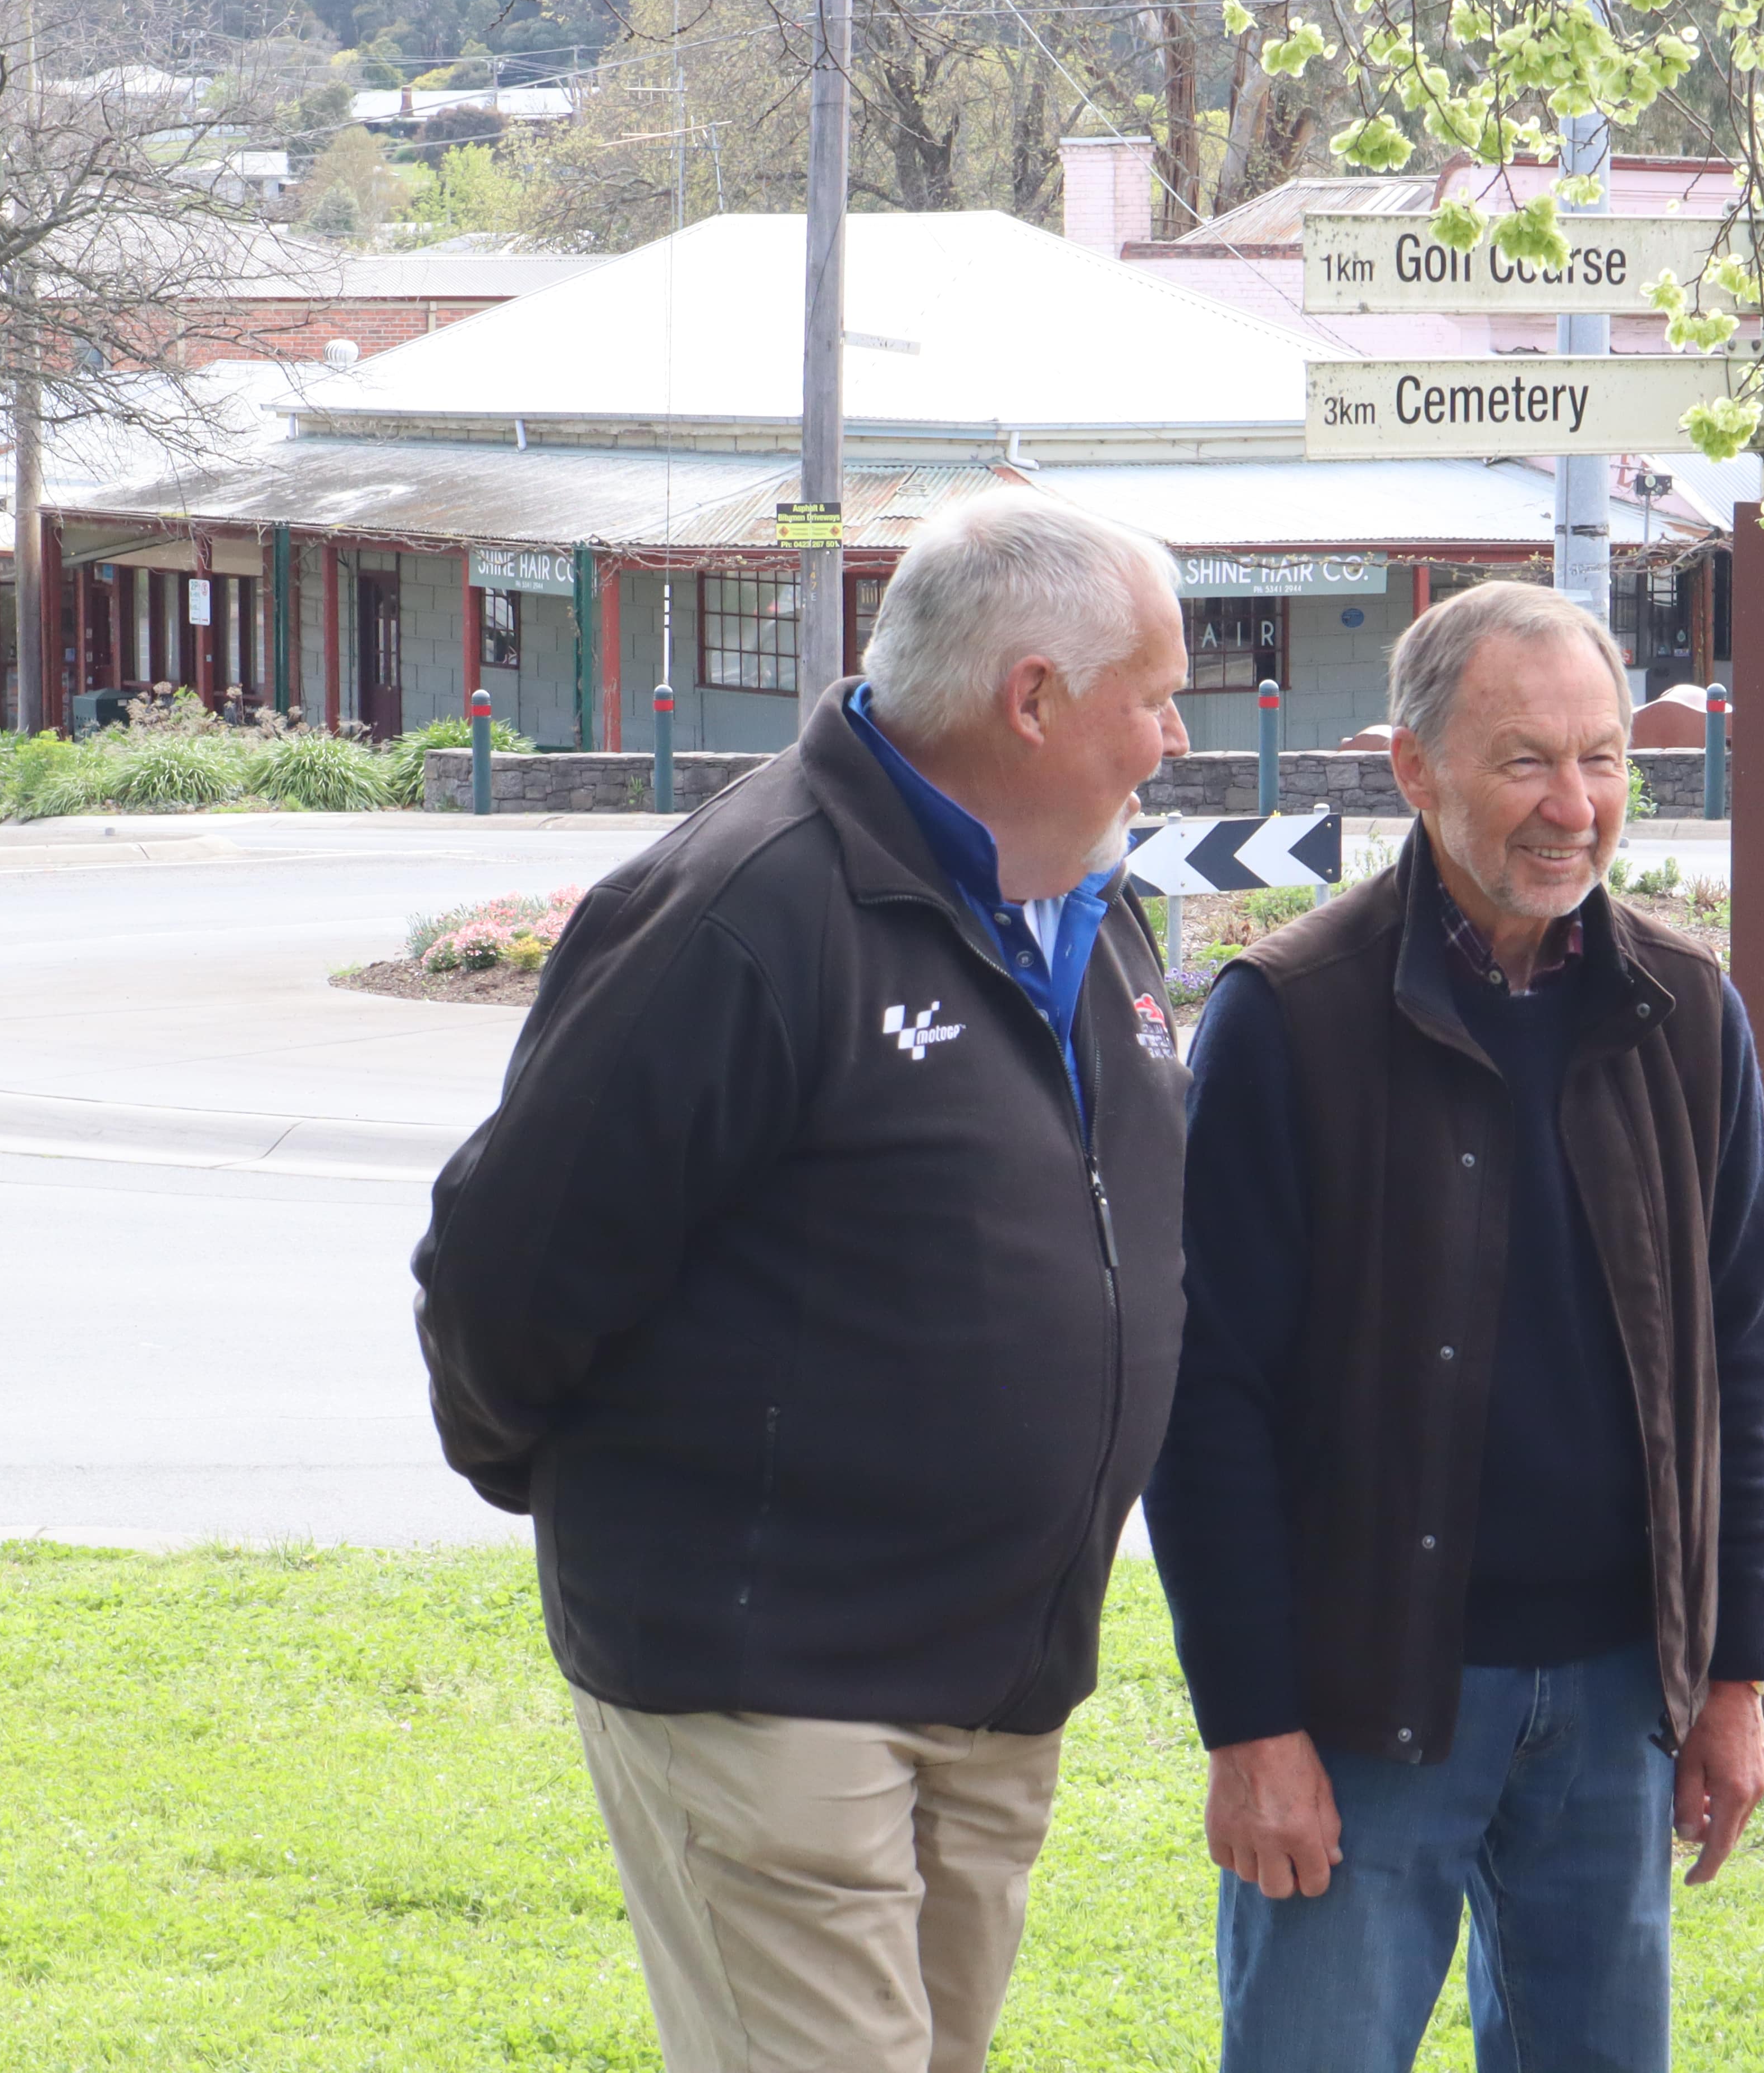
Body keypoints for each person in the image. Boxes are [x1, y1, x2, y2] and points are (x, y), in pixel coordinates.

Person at [411, 494, 1195, 2073]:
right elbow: (504, 1276)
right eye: (1156, 698)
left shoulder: (1091, 906)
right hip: (767, 1682)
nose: (1175, 740)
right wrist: (642, 1524)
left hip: (996, 1678)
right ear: (1031, 700)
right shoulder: (744, 905)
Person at [1144, 579, 1764, 2073]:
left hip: (1620, 1694)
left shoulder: (1687, 1010)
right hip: (1361, 1698)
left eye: (1603, 758)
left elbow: (1737, 1370)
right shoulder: (1289, 1017)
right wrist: (1251, 1726)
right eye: (1525, 762)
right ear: (1414, 771)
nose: (1575, 805)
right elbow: (1204, 1401)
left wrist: (1734, 1678)